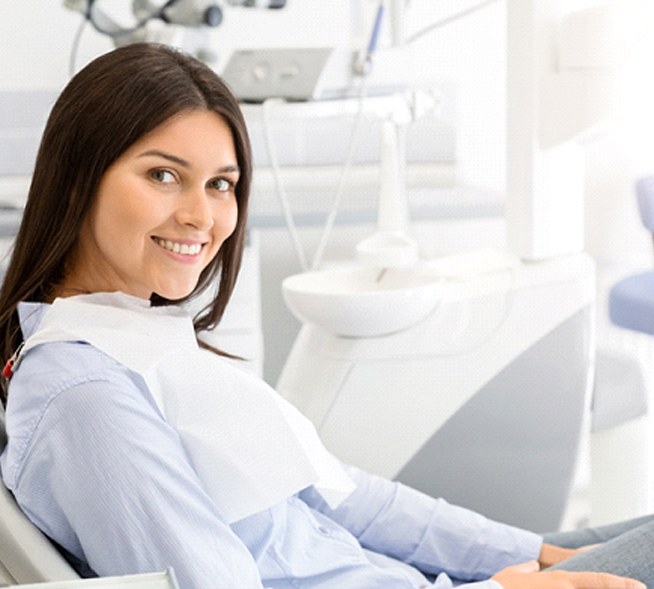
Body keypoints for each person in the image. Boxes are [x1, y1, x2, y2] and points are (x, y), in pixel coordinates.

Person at [0, 42, 651, 589]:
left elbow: (340, 495)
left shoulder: (128, 336)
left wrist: (525, 554)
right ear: (79, 176)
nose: (201, 216)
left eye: (221, 183)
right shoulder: (85, 393)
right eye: (165, 175)